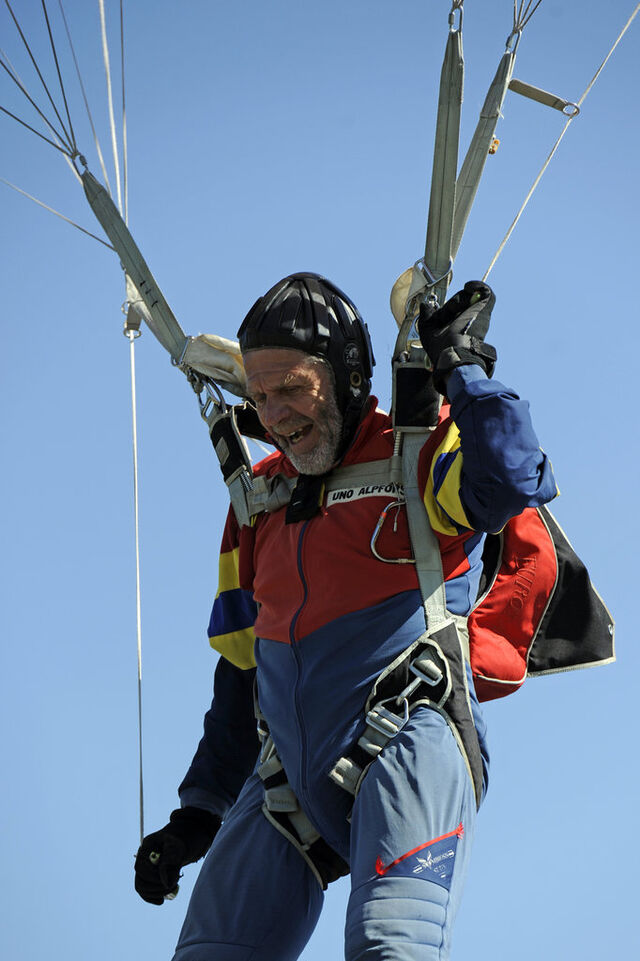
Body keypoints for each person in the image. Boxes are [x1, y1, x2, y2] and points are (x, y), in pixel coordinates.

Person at [134, 272, 558, 961]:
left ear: (346, 378)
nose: (276, 415)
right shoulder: (259, 503)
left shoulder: (417, 459)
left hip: (409, 741)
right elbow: (240, 674)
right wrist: (197, 813)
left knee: (389, 947)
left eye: (292, 389)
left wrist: (462, 369)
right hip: (285, 782)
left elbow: (513, 475)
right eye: (260, 396)